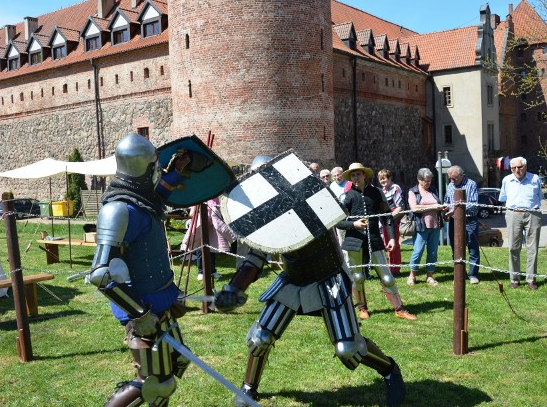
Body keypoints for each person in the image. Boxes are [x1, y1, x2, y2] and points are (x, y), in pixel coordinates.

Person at [216, 156, 406, 407]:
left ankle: (390, 370)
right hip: (293, 279)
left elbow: (334, 216)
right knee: (260, 337)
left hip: (329, 277)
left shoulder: (309, 197)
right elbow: (255, 258)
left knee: (348, 349)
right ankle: (248, 387)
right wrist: (234, 288)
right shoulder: (261, 216)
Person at [89, 133, 218, 405]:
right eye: (155, 167)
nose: (158, 172)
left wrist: (178, 170)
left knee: (174, 366)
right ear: (145, 168)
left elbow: (158, 196)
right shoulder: (119, 210)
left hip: (161, 303)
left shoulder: (141, 199)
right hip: (143, 310)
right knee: (157, 383)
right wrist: (141, 314)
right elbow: (100, 274)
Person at [336, 163, 416, 321]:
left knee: (387, 277)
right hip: (354, 241)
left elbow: (387, 217)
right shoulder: (346, 197)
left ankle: (399, 308)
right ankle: (362, 308)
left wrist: (392, 237)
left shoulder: (377, 193)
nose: (356, 178)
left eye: (358, 174)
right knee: (357, 277)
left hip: (374, 239)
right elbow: (338, 222)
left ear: (364, 175)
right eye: (353, 175)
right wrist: (354, 224)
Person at [499, 157, 542, 290]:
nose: (517, 170)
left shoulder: (535, 179)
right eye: (514, 168)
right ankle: (515, 279)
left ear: (525, 166)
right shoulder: (507, 180)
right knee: (513, 247)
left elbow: (539, 196)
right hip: (513, 214)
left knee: (532, 248)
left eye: (520, 167)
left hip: (533, 214)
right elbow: (503, 197)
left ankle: (531, 279)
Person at [407, 168, 447, 286]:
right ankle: (412, 275)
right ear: (419, 180)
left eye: (430, 181)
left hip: (435, 225)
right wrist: (434, 206)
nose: (429, 183)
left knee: (433, 252)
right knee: (418, 251)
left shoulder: (433, 190)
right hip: (421, 226)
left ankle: (430, 276)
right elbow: (414, 208)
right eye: (426, 181)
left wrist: (441, 207)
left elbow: (437, 204)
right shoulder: (412, 192)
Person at [181, 197, 235, 281]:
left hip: (212, 224)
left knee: (212, 249)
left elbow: (219, 208)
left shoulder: (215, 197)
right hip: (201, 222)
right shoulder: (199, 195)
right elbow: (192, 213)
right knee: (200, 249)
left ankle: (212, 271)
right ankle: (201, 272)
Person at [444, 165, 481, 284]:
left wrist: (456, 209)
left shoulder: (471, 184)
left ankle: (473, 274)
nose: (452, 181)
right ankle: (460, 274)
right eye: (450, 178)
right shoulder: (450, 185)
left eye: (454, 178)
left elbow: (473, 204)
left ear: (461, 175)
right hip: (454, 221)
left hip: (469, 220)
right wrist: (446, 208)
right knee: (456, 248)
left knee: (473, 248)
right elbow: (447, 200)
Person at [377, 169, 405, 275]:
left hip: (393, 219)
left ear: (389, 178)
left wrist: (391, 217)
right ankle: (390, 266)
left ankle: (396, 268)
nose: (382, 181)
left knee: (395, 244)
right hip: (385, 220)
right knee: (387, 243)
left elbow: (400, 206)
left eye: (384, 178)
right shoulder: (382, 191)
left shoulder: (395, 188)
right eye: (380, 179)